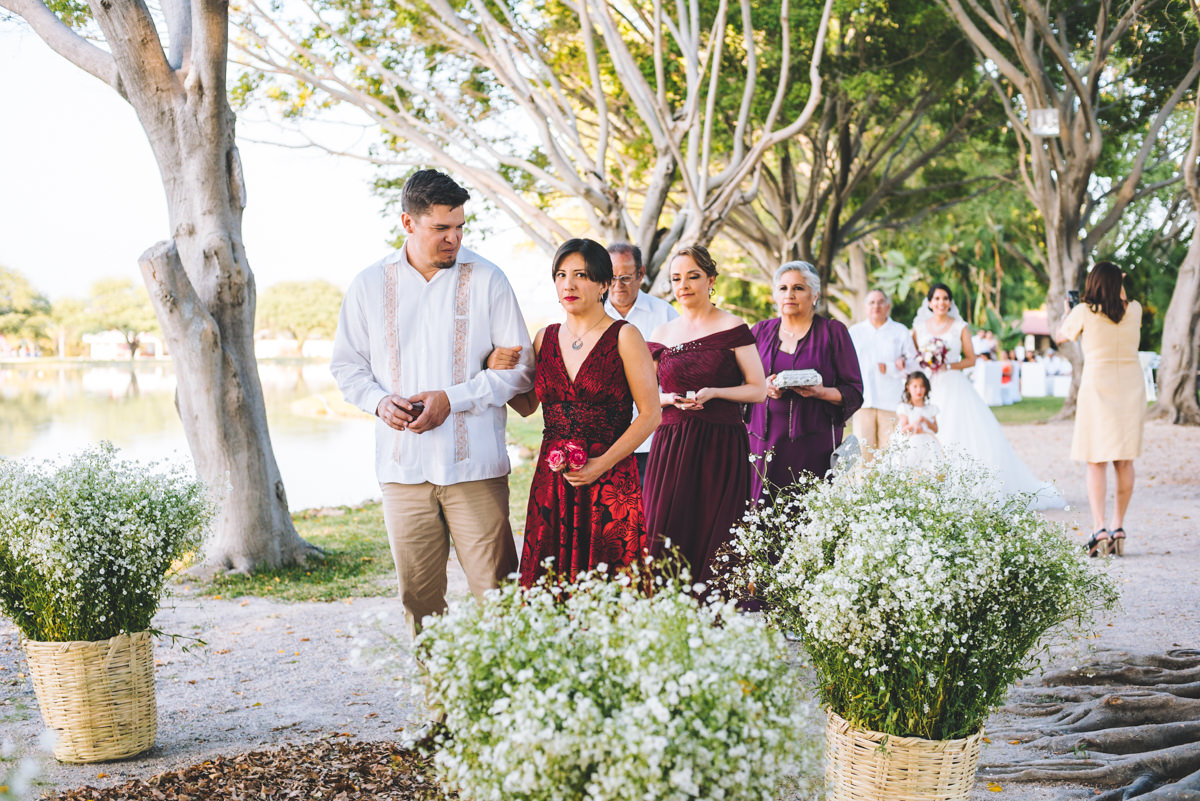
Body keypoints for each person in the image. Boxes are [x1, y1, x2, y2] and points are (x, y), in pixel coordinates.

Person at [330, 169, 534, 637]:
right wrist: (379, 402)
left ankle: (505, 708)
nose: (454, 239)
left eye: (460, 226)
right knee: (419, 600)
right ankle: (438, 706)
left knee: (498, 595)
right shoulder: (367, 285)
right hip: (402, 470)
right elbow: (347, 367)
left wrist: (454, 399)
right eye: (441, 228)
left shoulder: (488, 279)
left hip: (475, 468)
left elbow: (521, 372)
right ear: (407, 222)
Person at [506, 239, 661, 586]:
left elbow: (651, 415)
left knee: (611, 586)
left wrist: (598, 467)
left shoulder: (625, 336)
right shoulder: (543, 338)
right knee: (548, 583)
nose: (568, 284)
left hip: (610, 480)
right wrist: (498, 373)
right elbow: (527, 406)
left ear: (604, 284)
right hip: (553, 483)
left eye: (580, 275)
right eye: (561, 275)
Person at [641, 245, 767, 583]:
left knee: (717, 530)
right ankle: (665, 612)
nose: (683, 285)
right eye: (676, 278)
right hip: (671, 444)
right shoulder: (661, 334)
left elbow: (757, 388)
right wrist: (670, 398)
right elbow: (647, 394)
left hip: (720, 444)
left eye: (692, 276)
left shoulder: (733, 326)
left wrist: (716, 393)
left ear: (710, 280)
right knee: (663, 528)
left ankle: (714, 618)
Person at [912, 283, 1064, 510]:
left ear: (950, 302)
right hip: (927, 386)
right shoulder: (919, 328)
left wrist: (947, 364)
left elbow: (971, 359)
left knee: (957, 434)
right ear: (930, 302)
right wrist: (926, 363)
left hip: (953, 383)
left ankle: (964, 489)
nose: (941, 303)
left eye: (945, 298)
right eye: (937, 298)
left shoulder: (960, 327)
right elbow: (914, 356)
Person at [747, 262, 863, 499]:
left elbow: (854, 391)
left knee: (811, 514)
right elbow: (741, 383)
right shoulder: (759, 332)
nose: (789, 294)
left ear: (815, 295)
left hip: (815, 443)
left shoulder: (833, 332)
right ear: (775, 295)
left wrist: (820, 392)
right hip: (764, 443)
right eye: (783, 288)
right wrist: (764, 387)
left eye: (798, 288)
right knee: (762, 514)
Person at [1055, 262, 1145, 557]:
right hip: (1130, 386)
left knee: (1096, 460)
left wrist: (1068, 311)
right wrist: (1119, 285)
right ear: (1118, 282)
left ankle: (1100, 529)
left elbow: (1061, 337)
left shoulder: (1084, 312)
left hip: (1098, 387)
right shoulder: (1135, 310)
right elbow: (1121, 305)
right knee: (1124, 460)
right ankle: (1118, 526)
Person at [603, 243, 679, 481]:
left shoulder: (665, 314)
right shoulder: (593, 314)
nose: (617, 286)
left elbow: (678, 370)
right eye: (611, 278)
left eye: (625, 278)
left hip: (654, 438)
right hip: (606, 440)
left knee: (651, 514)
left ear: (641, 274)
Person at [847, 289, 913, 456]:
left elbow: (913, 364)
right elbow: (845, 364)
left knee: (890, 452)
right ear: (865, 307)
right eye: (872, 302)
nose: (876, 306)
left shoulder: (900, 331)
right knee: (863, 452)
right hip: (863, 401)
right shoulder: (854, 332)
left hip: (891, 400)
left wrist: (896, 366)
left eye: (880, 302)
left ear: (888, 306)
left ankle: (889, 483)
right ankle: (863, 483)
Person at [896, 371, 941, 468]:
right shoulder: (905, 408)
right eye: (915, 386)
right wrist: (914, 425)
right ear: (908, 388)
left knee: (931, 467)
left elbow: (935, 429)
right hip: (912, 446)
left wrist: (925, 421)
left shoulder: (931, 408)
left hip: (929, 446)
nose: (919, 390)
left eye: (922, 386)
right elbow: (903, 429)